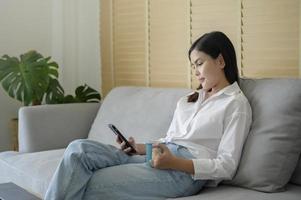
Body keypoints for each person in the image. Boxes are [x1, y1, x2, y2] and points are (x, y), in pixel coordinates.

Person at [44, 31, 252, 200]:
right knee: (78, 149)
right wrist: (139, 148)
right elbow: (170, 140)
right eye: (193, 66)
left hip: (183, 173)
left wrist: (173, 163)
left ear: (221, 61)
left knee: (85, 181)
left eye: (199, 63)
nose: (196, 72)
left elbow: (226, 166)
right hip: (158, 156)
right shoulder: (190, 99)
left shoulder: (235, 104)